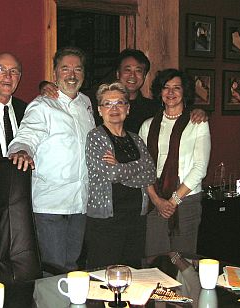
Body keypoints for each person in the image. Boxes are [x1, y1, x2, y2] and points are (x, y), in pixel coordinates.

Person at [8, 47, 96, 270]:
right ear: (55, 73)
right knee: (54, 269)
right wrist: (21, 151)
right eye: (65, 69)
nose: (72, 74)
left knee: (73, 265)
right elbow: (26, 136)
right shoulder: (42, 105)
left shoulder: (86, 103)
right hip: (50, 204)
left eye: (77, 69)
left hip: (80, 202)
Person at [40, 48, 207, 133]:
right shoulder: (94, 98)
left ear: (145, 76)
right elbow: (68, 93)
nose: (132, 76)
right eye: (127, 70)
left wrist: (198, 110)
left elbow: (176, 110)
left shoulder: (153, 108)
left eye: (138, 70)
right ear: (118, 74)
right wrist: (45, 86)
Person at [138, 69, 211, 257]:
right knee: (154, 259)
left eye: (176, 88)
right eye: (166, 87)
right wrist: (157, 200)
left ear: (184, 92)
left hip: (186, 198)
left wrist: (173, 201)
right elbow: (143, 168)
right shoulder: (147, 125)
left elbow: (200, 168)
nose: (171, 93)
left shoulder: (198, 122)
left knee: (183, 263)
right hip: (155, 198)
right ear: (159, 92)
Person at [85, 82, 156, 269]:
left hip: (136, 220)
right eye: (107, 104)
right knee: (103, 278)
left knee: (133, 275)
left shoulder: (136, 138)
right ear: (99, 110)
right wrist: (137, 166)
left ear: (128, 108)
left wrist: (121, 166)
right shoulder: (96, 137)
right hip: (106, 222)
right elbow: (112, 174)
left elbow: (150, 174)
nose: (114, 108)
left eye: (120, 103)